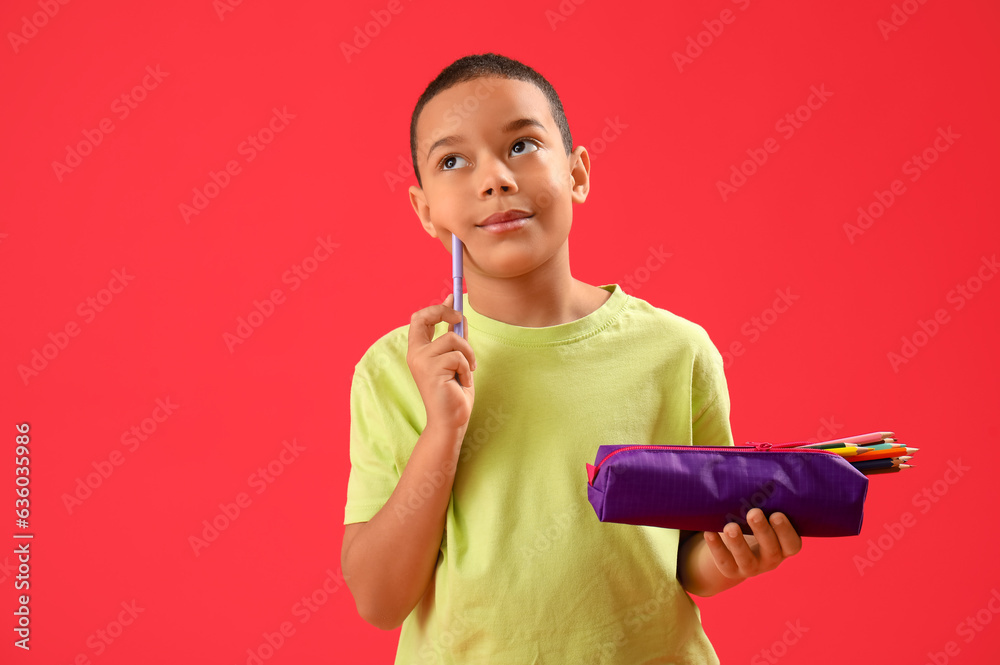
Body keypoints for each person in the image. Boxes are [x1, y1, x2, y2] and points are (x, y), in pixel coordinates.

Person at [341, 52, 803, 664]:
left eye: (523, 146)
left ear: (578, 173)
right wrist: (444, 429)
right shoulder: (395, 369)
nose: (494, 179)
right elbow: (378, 599)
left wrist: (730, 557)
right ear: (425, 209)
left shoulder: (676, 351)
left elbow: (687, 557)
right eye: (453, 161)